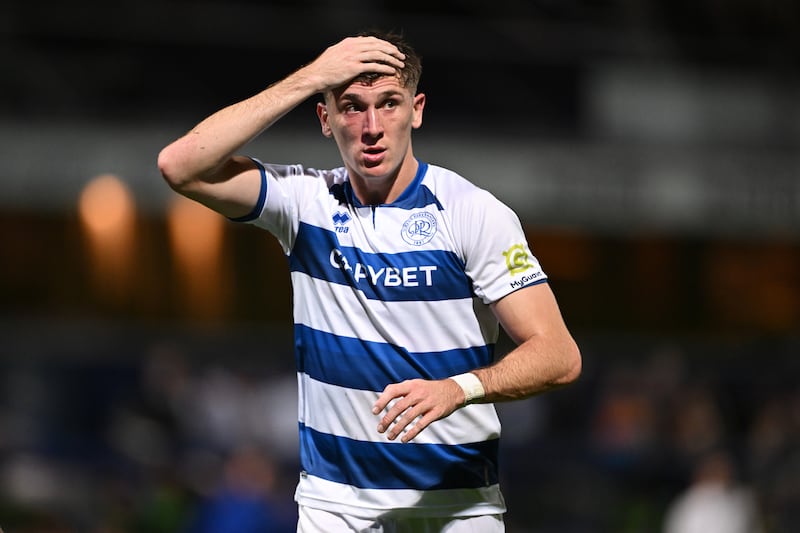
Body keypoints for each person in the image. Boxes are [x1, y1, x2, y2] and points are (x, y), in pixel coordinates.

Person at [158, 30, 581, 533]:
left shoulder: (472, 213)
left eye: (389, 103)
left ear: (417, 110)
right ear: (325, 118)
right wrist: (312, 77)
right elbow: (180, 165)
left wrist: (458, 389)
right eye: (352, 106)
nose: (372, 126)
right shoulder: (305, 203)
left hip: (456, 508)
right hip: (334, 509)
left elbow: (559, 355)